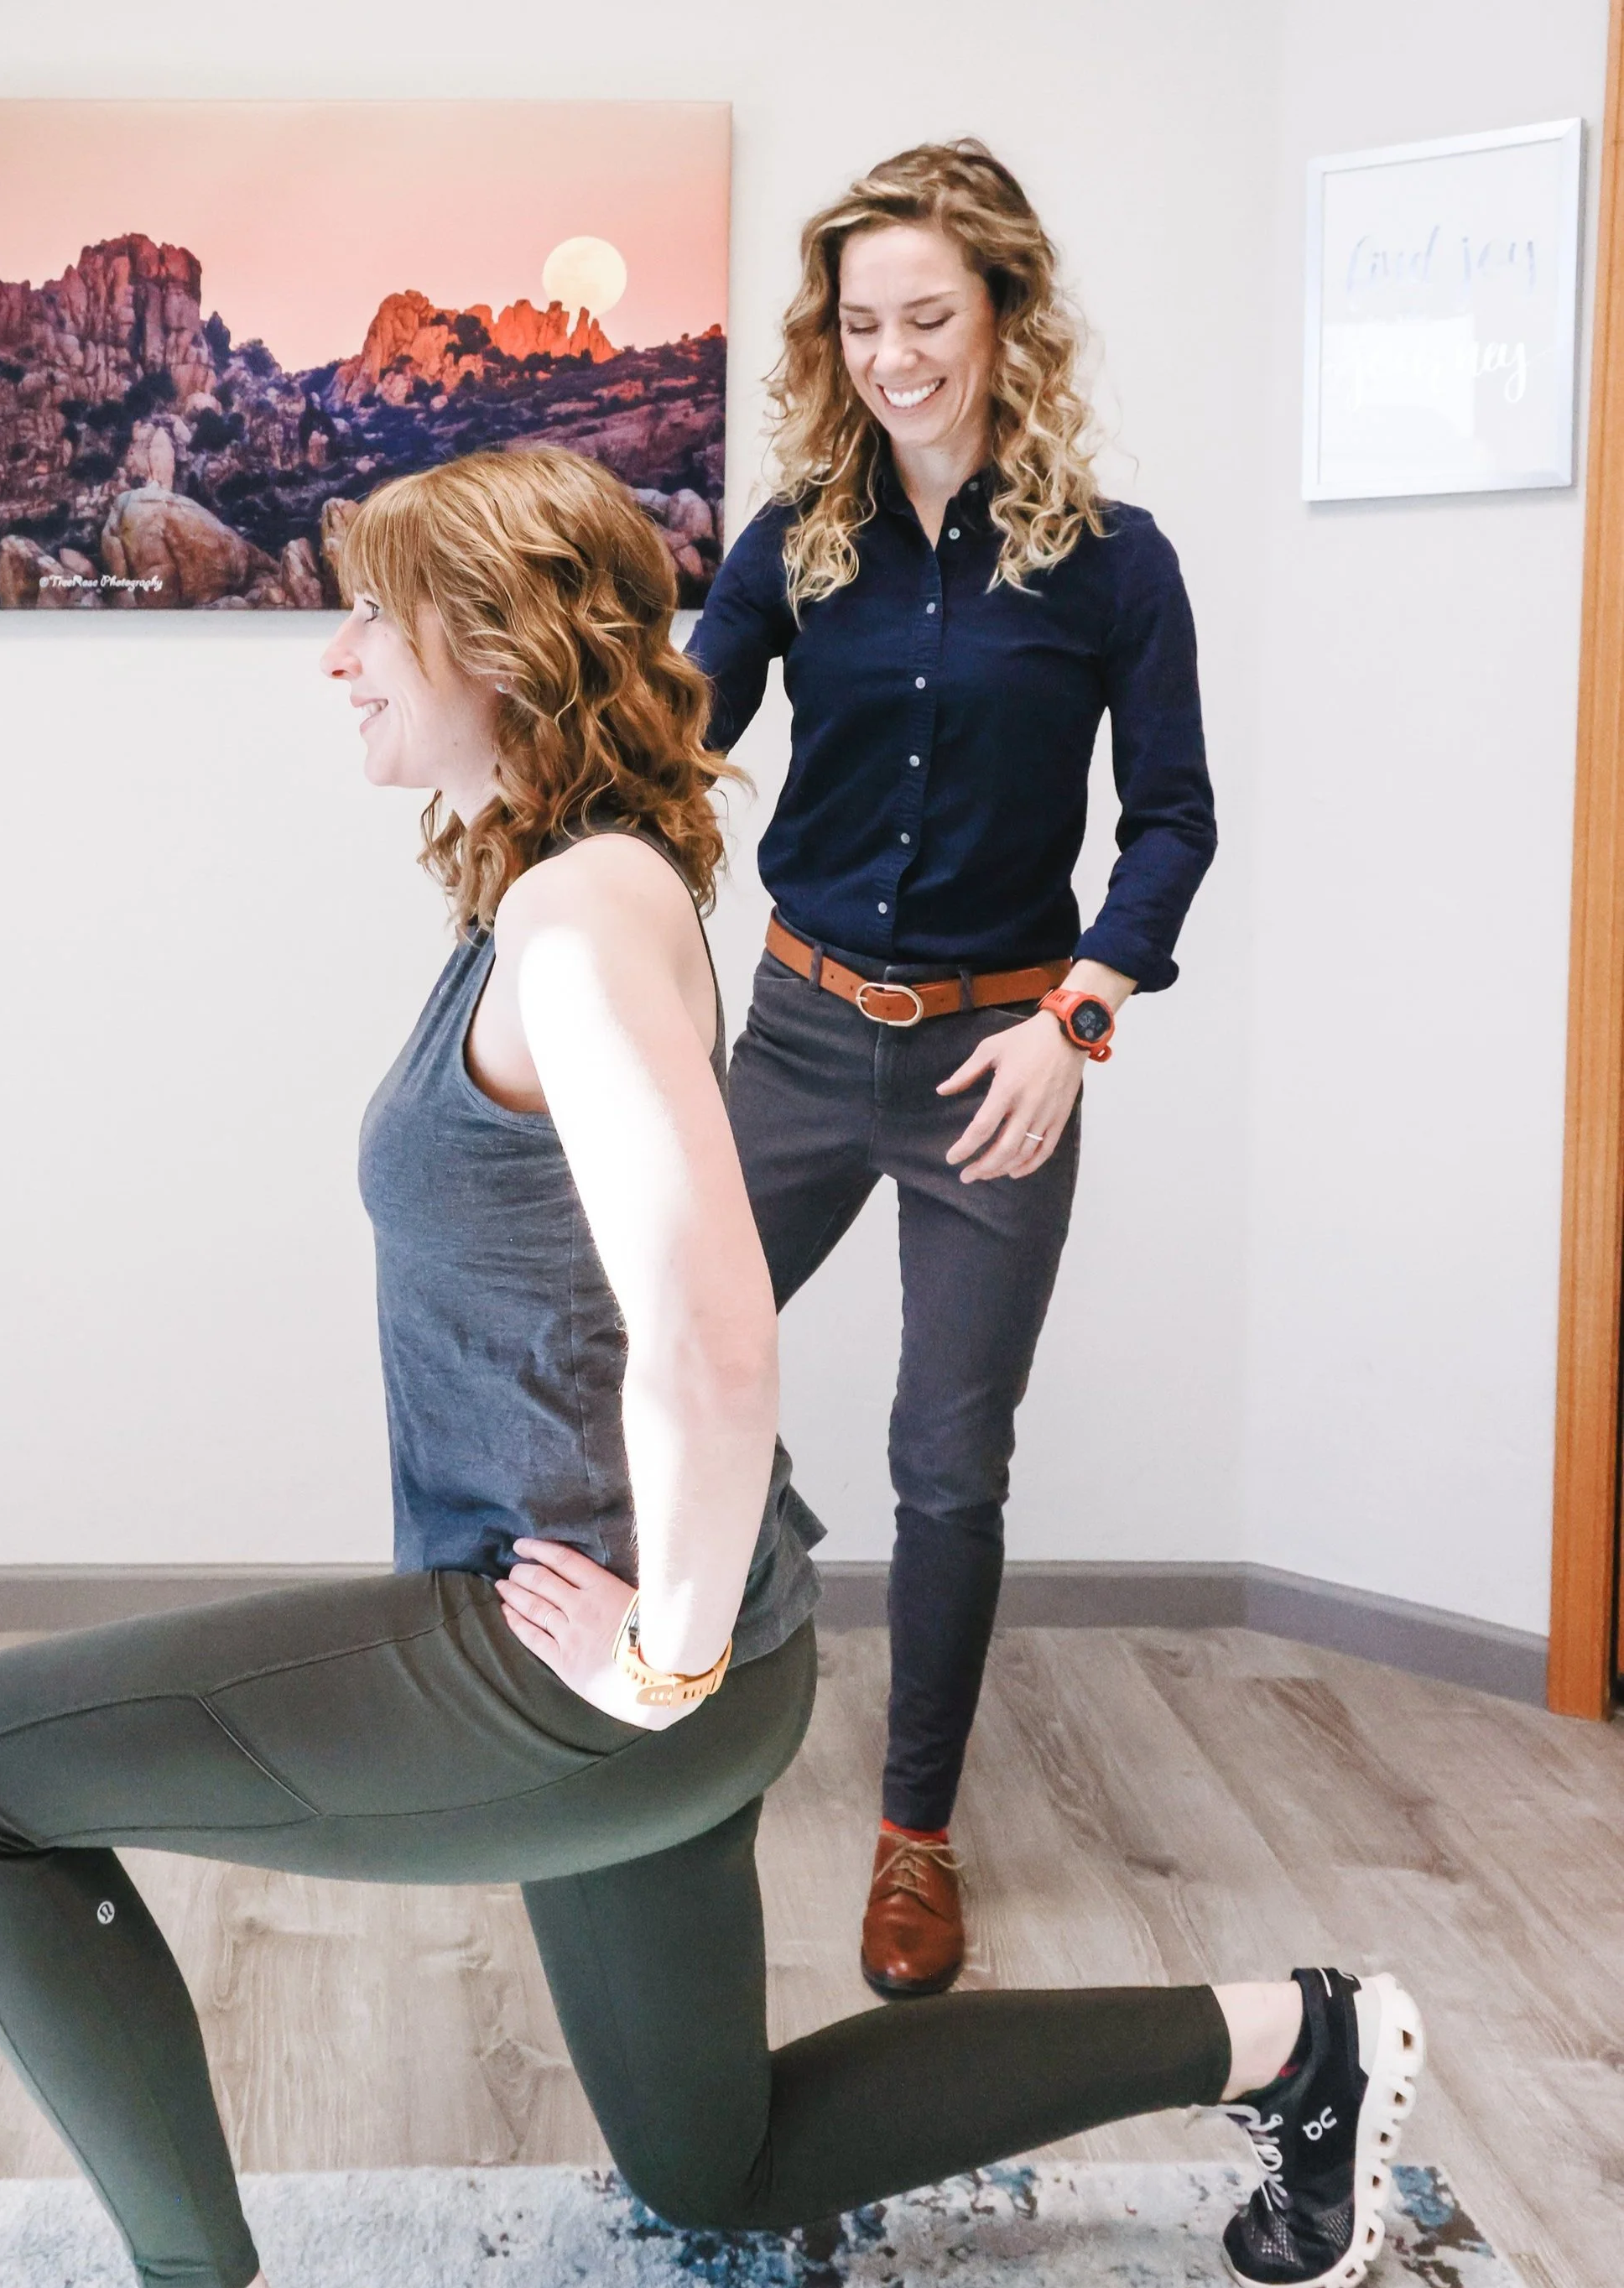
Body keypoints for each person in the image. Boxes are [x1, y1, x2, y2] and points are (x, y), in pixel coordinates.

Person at [0, 447, 1418, 2288]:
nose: (331, 659)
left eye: (368, 619)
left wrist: (661, 1664)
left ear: (497, 647)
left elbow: (714, 1330)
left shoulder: (583, 911)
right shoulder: (564, 873)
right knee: (720, 2167)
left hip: (588, 1666)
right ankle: (1293, 2040)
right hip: (667, 1634)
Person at [689, 141, 1221, 2000]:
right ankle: (677, 1699)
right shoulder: (790, 539)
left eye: (928, 315)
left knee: (947, 1463)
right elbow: (686, 726)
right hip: (804, 1034)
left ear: (1004, 317)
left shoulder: (1107, 562)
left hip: (1001, 1057)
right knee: (663, 1352)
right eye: (861, 323)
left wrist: (1078, 1021)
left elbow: (1168, 823)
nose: (895, 356)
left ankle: (912, 1837)